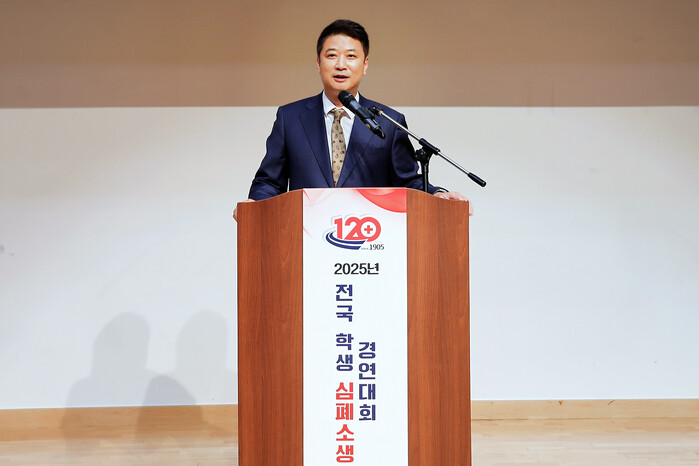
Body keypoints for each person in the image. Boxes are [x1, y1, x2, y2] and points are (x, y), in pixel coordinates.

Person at [237, 19, 467, 216]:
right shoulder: (290, 118)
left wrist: (437, 194)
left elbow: (406, 181)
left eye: (351, 56)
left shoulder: (388, 121)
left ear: (365, 65)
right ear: (318, 63)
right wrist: (255, 204)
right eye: (332, 56)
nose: (341, 65)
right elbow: (270, 181)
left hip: (368, 238)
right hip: (305, 236)